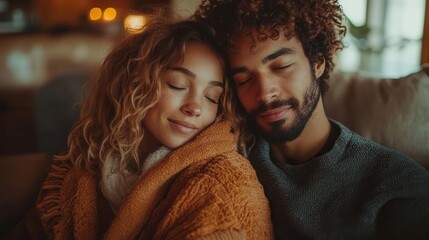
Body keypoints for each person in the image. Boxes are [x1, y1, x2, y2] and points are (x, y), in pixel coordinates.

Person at [16, 19, 273, 239]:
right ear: (136, 83)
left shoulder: (224, 183)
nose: (195, 107)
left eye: (212, 97)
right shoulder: (81, 169)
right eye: (177, 84)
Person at [194, 0, 429, 239]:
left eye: (281, 66)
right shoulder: (228, 154)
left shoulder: (401, 185)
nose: (264, 93)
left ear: (317, 62)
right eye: (244, 80)